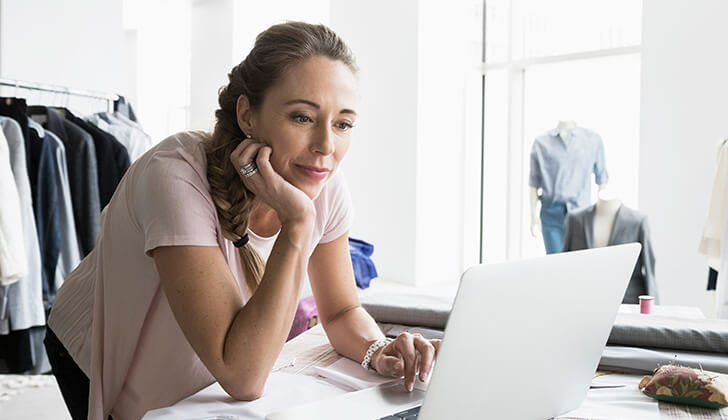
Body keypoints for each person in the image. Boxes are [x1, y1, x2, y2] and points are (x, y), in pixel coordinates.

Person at [44, 22, 440, 420]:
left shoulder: (325, 183)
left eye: (343, 124)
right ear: (248, 116)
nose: (325, 146)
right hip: (100, 343)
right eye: (303, 117)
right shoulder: (175, 177)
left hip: (204, 351)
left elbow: (339, 312)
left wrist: (378, 349)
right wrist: (298, 222)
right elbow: (243, 375)